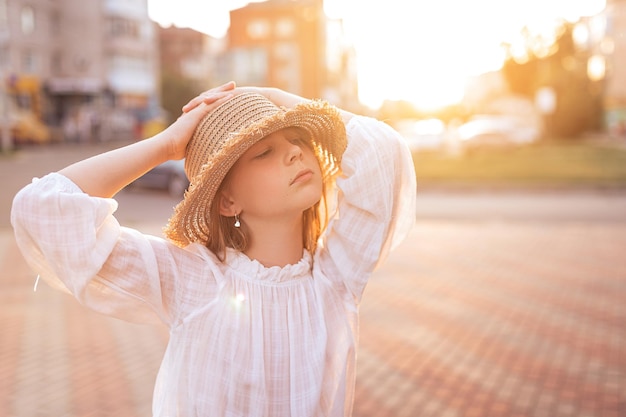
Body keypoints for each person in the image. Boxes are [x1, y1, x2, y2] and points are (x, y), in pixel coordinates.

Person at [11, 81, 416, 417]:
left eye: (297, 139)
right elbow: (45, 208)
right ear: (227, 201)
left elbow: (384, 155)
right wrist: (167, 145)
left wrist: (272, 96)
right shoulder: (194, 279)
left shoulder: (337, 276)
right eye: (264, 151)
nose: (295, 151)